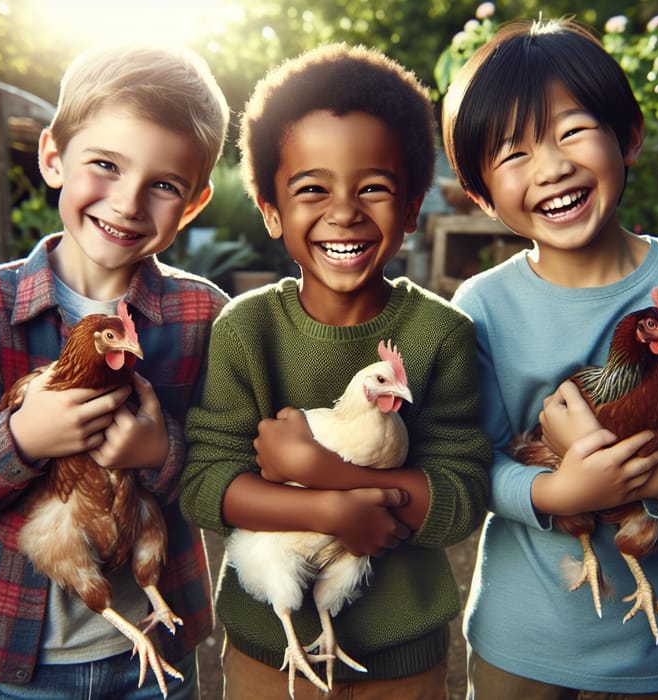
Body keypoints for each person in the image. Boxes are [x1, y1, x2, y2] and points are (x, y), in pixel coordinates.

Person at [180, 42, 492, 700]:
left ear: (411, 208)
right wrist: (330, 508)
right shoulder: (244, 329)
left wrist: (330, 475)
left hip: (401, 655)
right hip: (270, 649)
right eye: (312, 188)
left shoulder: (442, 335)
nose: (344, 210)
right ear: (270, 209)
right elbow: (207, 481)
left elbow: (461, 495)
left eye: (373, 187)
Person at [443, 17, 658, 699]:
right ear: (481, 194)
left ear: (629, 137)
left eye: (572, 130)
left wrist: (651, 484)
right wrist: (558, 493)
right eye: (512, 152)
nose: (551, 165)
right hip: (521, 638)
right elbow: (471, 458)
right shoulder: (483, 304)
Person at [0, 43, 230, 699]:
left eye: (162, 185)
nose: (127, 203)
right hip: (13, 663)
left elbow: (230, 470)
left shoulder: (202, 315)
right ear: (52, 158)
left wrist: (163, 450)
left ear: (193, 203)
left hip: (154, 658)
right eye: (104, 165)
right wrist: (23, 440)